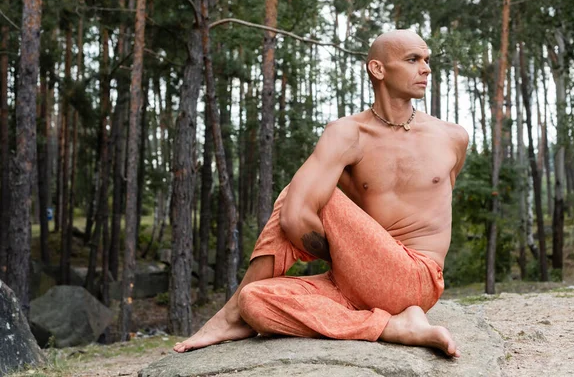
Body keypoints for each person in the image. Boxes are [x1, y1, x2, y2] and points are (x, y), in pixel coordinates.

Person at [173, 29, 468, 358]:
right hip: (357, 282)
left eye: (427, 60)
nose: (426, 68)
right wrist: (350, 258)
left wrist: (348, 252)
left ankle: (227, 317)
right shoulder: (348, 133)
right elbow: (296, 219)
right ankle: (392, 326)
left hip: (418, 278)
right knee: (254, 301)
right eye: (413, 60)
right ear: (378, 69)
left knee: (296, 194)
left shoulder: (452, 137)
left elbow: (297, 212)